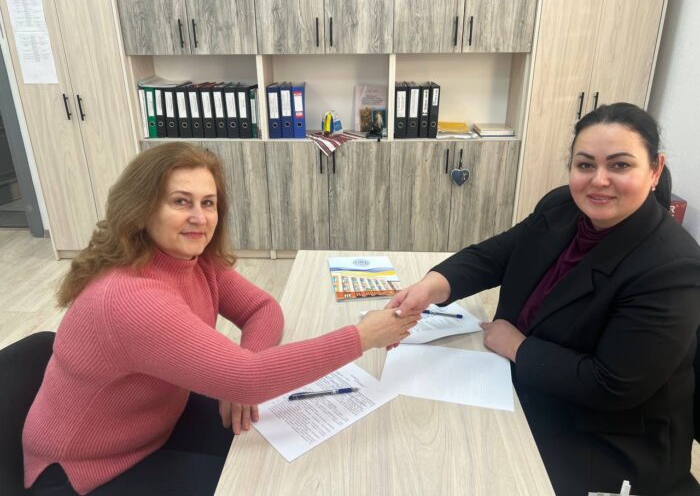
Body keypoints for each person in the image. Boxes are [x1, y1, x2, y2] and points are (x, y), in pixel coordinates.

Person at [24, 142, 419, 495]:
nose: (200, 217)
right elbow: (251, 377)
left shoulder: (193, 261)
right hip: (86, 473)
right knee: (267, 482)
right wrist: (363, 336)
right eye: (181, 202)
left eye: (208, 203)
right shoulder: (130, 297)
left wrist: (237, 380)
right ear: (141, 210)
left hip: (157, 425)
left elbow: (262, 309)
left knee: (283, 448)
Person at [388, 103, 700, 495]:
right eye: (585, 165)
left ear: (655, 170)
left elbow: (611, 385)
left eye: (620, 165)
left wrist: (518, 347)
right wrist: (432, 286)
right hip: (521, 383)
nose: (599, 180)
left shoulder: (671, 267)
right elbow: (496, 255)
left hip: (602, 436)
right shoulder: (562, 206)